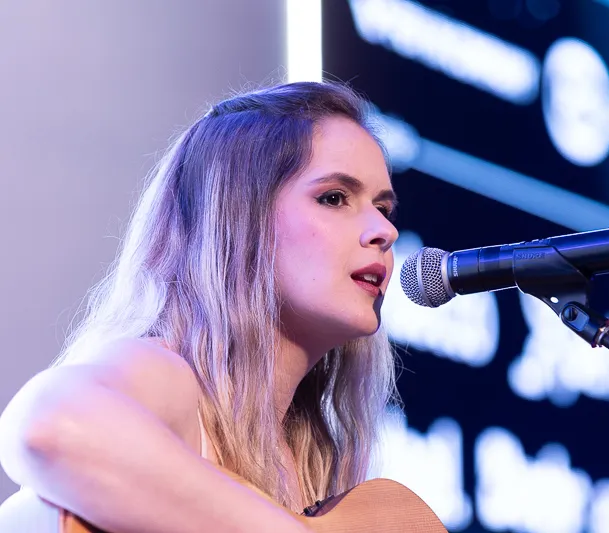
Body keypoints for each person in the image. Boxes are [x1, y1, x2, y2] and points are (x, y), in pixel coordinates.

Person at [0, 81, 401, 532]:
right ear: (240, 218)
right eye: (334, 198)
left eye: (383, 209)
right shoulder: (168, 376)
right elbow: (49, 427)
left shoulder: (311, 467)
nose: (384, 231)